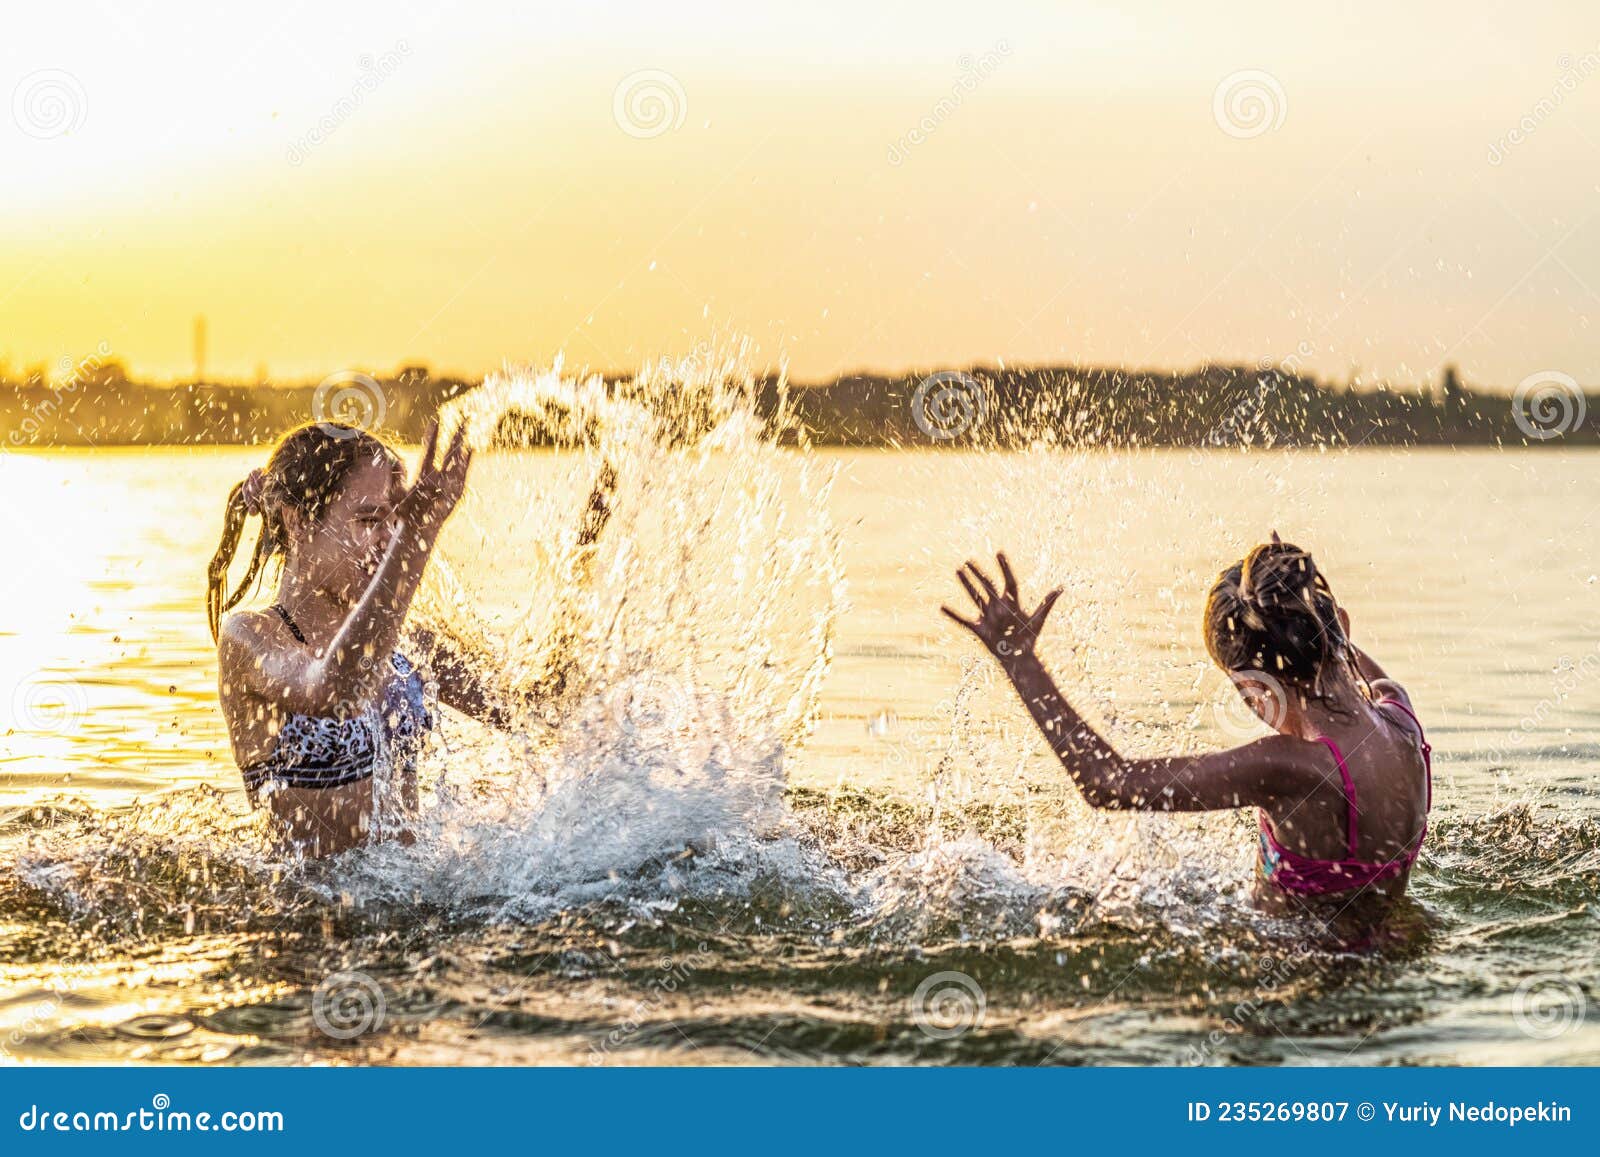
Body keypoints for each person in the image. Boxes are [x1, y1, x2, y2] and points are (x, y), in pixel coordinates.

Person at [942, 538, 1432, 934]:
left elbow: (1106, 782)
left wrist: (1019, 659)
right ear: (1339, 625)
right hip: (1387, 957)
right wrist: (1286, 598)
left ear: (1251, 688)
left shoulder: (1293, 768)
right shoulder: (1399, 717)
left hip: (1300, 985)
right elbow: (1333, 643)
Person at [207, 419, 612, 857]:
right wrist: (418, 535)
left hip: (414, 907)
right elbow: (335, 689)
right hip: (312, 913)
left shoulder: (406, 642)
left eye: (396, 523)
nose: (388, 539)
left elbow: (537, 707)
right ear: (299, 520)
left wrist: (589, 535)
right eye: (368, 520)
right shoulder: (250, 636)